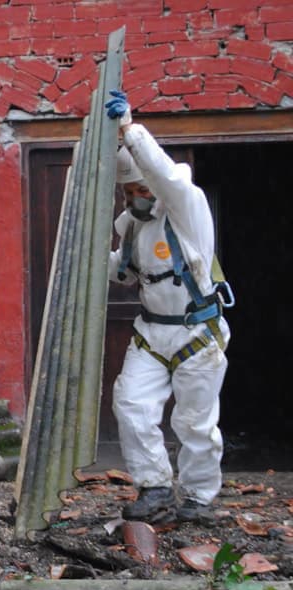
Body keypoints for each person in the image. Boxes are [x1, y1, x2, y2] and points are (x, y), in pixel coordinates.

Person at [105, 90, 231, 524]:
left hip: (197, 331)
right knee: (131, 404)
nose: (136, 196)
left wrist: (129, 132)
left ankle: (198, 497)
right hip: (152, 332)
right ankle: (155, 489)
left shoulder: (186, 207)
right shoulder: (132, 226)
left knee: (194, 424)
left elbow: (165, 176)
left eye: (142, 188)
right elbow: (123, 272)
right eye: (129, 190)